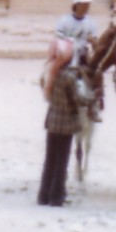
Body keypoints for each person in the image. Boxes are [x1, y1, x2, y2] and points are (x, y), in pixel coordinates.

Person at [37, 38, 80, 207]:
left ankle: (44, 195)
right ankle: (57, 196)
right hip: (65, 123)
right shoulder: (69, 77)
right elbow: (78, 98)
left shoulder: (49, 72)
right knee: (62, 160)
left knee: (50, 159)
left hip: (52, 120)